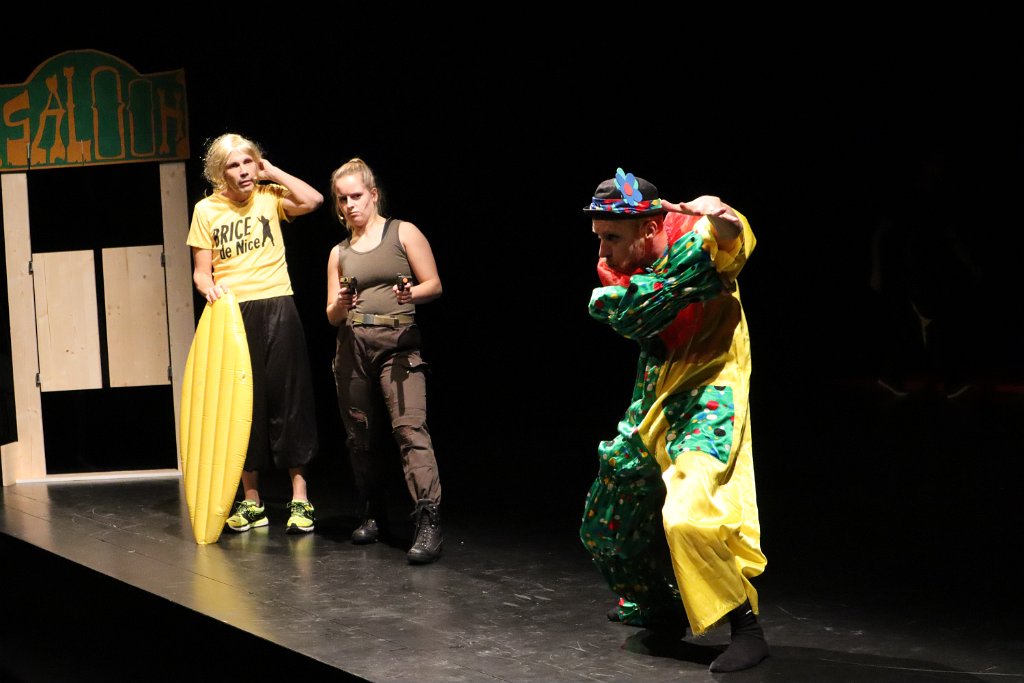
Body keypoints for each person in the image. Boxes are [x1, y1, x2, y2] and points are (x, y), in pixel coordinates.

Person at [579, 168, 769, 673]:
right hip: (656, 393)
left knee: (687, 513)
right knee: (605, 521)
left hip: (710, 391)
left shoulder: (698, 239)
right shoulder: (618, 270)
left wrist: (720, 216)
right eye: (598, 237)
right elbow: (637, 312)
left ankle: (746, 627)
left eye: (611, 238)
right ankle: (659, 607)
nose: (602, 252)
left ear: (649, 227)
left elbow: (731, 241)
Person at [187, 132, 323, 534]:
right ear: (220, 172)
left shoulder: (269, 196)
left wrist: (272, 171)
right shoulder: (205, 210)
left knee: (290, 399)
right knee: (244, 406)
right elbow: (201, 271)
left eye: (249, 162)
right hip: (233, 313)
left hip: (278, 303)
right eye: (234, 165)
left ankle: (300, 498)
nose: (244, 171)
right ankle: (252, 502)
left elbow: (313, 200)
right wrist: (208, 288)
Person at [325, 157, 444, 564]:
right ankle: (372, 512)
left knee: (410, 429)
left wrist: (411, 293)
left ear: (373, 195)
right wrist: (341, 303)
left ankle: (428, 520)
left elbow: (434, 284)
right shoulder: (339, 252)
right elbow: (331, 314)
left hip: (398, 343)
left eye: (356, 196)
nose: (350, 205)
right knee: (360, 436)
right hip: (353, 345)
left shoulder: (402, 232)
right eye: (342, 199)